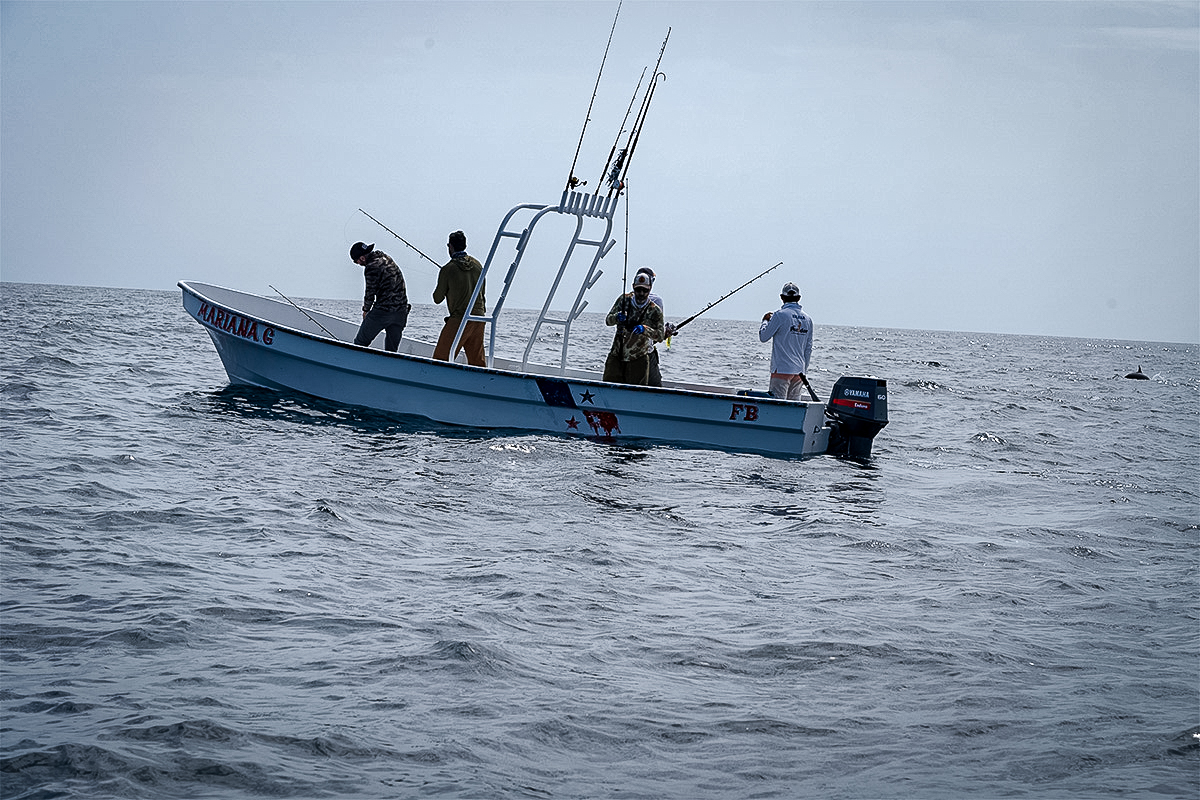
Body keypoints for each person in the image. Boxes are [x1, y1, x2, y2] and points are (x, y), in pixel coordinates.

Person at [432, 230, 486, 366]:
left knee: (441, 360)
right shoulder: (478, 265)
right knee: (477, 363)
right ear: (465, 245)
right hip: (479, 318)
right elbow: (482, 293)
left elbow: (437, 298)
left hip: (459, 319)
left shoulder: (448, 269)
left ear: (450, 246)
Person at [603, 271, 666, 386]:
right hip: (617, 355)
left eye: (645, 290)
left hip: (639, 358)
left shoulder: (655, 311)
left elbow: (660, 336)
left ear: (650, 289)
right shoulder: (623, 300)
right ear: (633, 287)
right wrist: (617, 317)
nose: (641, 293)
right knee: (609, 386)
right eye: (638, 290)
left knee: (636, 392)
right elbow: (608, 320)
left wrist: (645, 329)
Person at [350, 241, 410, 352]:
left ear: (362, 258)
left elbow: (370, 292)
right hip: (401, 311)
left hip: (383, 311)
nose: (358, 264)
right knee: (391, 351)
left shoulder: (371, 267)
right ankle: (388, 368)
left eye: (356, 261)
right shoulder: (386, 258)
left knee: (359, 344)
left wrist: (366, 310)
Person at [758, 281, 813, 400]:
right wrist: (803, 370)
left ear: (782, 297)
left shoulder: (779, 315)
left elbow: (763, 337)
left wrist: (765, 321)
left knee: (777, 407)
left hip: (781, 369)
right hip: (799, 372)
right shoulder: (808, 319)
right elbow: (808, 349)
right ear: (799, 298)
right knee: (794, 407)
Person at [634, 267, 678, 387]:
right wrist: (668, 331)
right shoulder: (657, 301)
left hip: (624, 353)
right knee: (654, 387)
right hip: (645, 354)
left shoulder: (625, 299)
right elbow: (657, 334)